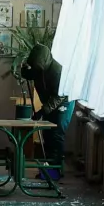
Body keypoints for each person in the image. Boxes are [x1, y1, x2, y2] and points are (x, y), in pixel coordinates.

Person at [19, 42, 73, 176]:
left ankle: (56, 169)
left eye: (38, 67)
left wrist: (43, 111)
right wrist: (24, 70)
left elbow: (59, 96)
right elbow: (30, 75)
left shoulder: (57, 71)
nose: (37, 70)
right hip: (50, 103)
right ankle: (48, 167)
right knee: (47, 133)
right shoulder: (38, 68)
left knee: (57, 133)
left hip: (64, 102)